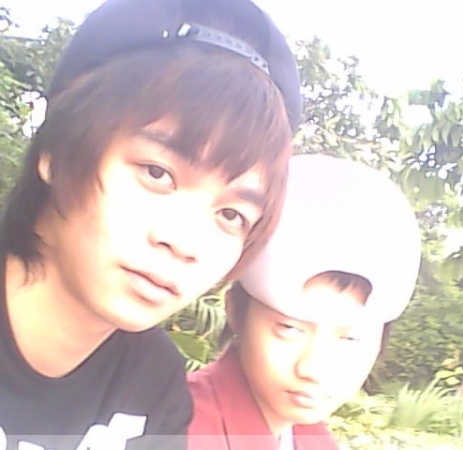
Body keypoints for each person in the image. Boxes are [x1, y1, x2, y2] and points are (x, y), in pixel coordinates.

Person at [0, 0, 301, 449]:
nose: (186, 244)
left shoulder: (152, 385)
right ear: (57, 152)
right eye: (157, 173)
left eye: (231, 215)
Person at [187, 154, 422, 450]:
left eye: (351, 338)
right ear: (235, 311)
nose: (314, 370)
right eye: (289, 329)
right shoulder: (177, 430)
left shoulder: (311, 437)